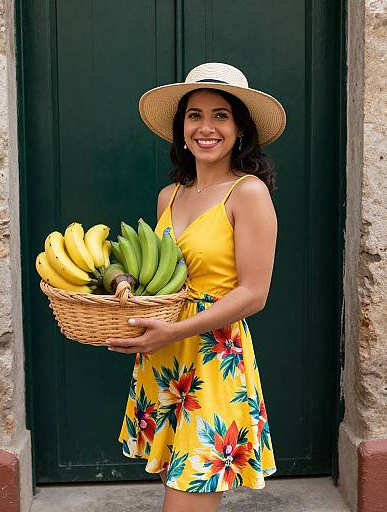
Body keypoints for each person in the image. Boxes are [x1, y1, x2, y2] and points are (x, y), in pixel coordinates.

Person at [105, 62, 286, 512]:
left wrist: (175, 332)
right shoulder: (171, 195)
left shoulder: (248, 193)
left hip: (212, 361)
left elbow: (254, 293)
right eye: (194, 115)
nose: (206, 127)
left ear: (240, 129)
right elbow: (165, 277)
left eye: (221, 115)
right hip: (164, 359)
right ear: (181, 128)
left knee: (186, 502)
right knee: (178, 488)